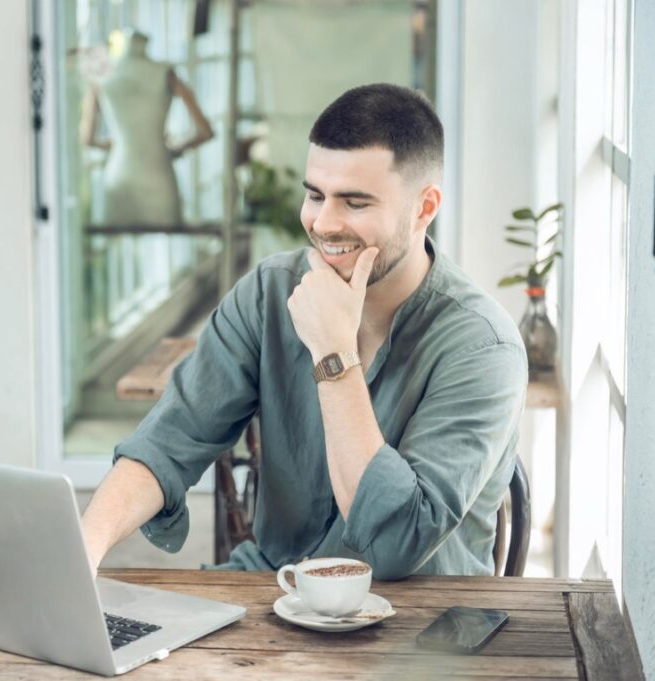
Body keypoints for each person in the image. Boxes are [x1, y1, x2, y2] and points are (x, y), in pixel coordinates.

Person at [81, 83, 528, 579]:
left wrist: (334, 353)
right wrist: (82, 550)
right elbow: (168, 442)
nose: (324, 223)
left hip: (415, 615)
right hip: (274, 589)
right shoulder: (269, 293)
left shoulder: (484, 347)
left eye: (355, 203)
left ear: (424, 208)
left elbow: (395, 545)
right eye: (315, 195)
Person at [79, 29, 213, 227]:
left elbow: (87, 139)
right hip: (159, 173)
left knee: (114, 238)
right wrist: (175, 149)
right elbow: (205, 132)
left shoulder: (102, 76)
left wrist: (120, 145)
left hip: (119, 173)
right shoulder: (166, 73)